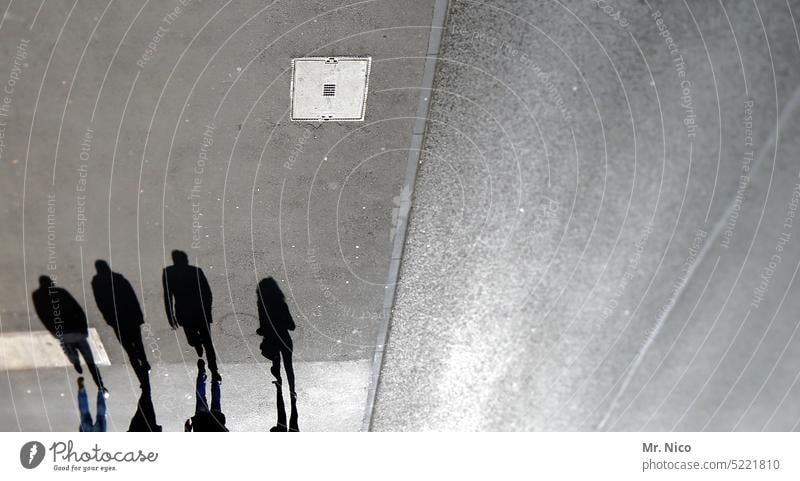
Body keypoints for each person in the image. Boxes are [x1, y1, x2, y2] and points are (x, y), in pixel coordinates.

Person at [32, 275, 106, 392]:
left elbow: (43, 315)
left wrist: (54, 332)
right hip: (77, 331)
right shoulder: (61, 292)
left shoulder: (37, 296)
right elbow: (77, 309)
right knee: (90, 360)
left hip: (62, 333)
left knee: (69, 350)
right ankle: (100, 385)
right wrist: (83, 328)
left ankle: (76, 363)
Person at [91, 260, 151, 391]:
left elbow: (100, 302)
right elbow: (131, 297)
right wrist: (139, 316)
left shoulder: (97, 282)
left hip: (117, 320)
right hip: (130, 317)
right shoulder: (118, 278)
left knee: (129, 349)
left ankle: (142, 378)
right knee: (138, 343)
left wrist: (108, 318)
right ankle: (144, 363)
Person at [162, 250, 220, 380]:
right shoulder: (173, 272)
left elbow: (206, 292)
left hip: (193, 312)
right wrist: (170, 315)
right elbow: (168, 295)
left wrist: (207, 311)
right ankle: (198, 345)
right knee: (195, 340)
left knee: (208, 343)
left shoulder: (176, 272)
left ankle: (214, 370)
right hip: (191, 313)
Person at [256, 277, 298, 432]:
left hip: (272, 340)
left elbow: (262, 327)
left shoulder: (262, 306)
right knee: (289, 366)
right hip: (285, 338)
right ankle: (292, 390)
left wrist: (264, 330)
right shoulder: (282, 304)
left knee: (276, 363)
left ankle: (279, 384)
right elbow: (291, 326)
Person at [184, 359, 227, 432]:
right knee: (200, 396)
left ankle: (215, 381)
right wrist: (187, 428)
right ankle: (201, 374)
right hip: (200, 422)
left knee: (216, 400)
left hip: (215, 422)